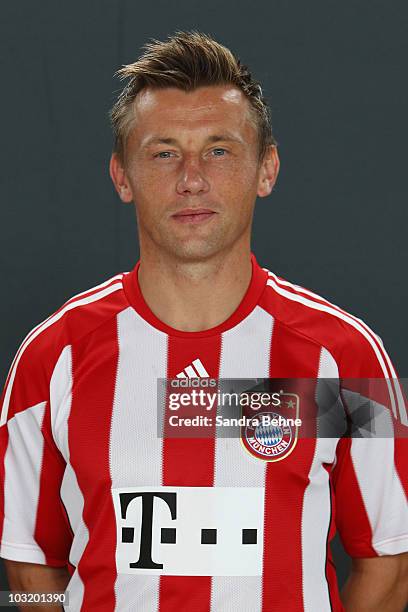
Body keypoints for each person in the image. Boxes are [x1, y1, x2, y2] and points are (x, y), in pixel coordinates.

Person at [0, 31, 407, 612]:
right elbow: (25, 567)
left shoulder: (346, 359)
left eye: (219, 150)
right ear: (122, 177)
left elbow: (390, 565)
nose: (191, 178)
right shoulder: (50, 360)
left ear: (266, 170)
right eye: (164, 152)